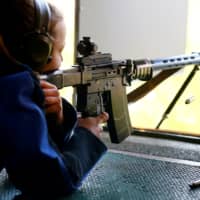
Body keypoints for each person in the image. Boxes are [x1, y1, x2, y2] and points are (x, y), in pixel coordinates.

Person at [0, 0, 109, 199]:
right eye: (59, 50)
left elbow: (18, 156)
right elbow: (51, 180)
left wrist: (54, 121)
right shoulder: (11, 87)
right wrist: (86, 135)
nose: (61, 61)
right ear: (36, 50)